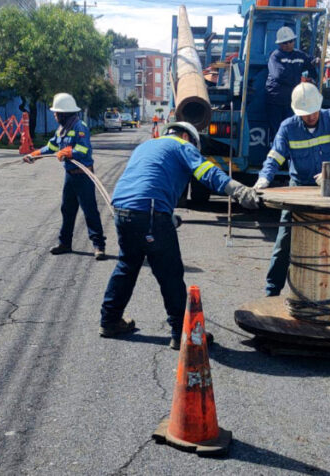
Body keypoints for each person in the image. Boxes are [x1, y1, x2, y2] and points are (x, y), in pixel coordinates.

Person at [99, 121, 259, 349]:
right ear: (186, 136)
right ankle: (181, 332)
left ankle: (109, 321)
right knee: (170, 274)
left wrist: (164, 216)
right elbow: (207, 172)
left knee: (127, 265)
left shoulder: (146, 146)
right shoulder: (181, 145)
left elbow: (148, 181)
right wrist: (238, 190)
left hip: (124, 211)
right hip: (151, 213)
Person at [253, 82, 330, 297]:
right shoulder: (288, 127)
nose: (310, 117)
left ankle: (328, 293)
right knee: (284, 243)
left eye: (313, 112)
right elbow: (274, 157)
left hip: (329, 190)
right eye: (305, 114)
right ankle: (271, 292)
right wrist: (264, 179)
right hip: (298, 190)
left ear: (319, 106)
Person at [23, 93, 106, 260]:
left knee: (90, 211)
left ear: (63, 113)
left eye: (56, 113)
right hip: (70, 176)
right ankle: (65, 243)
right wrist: (35, 154)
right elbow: (51, 147)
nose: (54, 115)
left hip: (83, 175)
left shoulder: (79, 127)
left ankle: (99, 245)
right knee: (67, 210)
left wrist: (69, 152)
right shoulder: (62, 129)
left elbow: (85, 150)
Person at [265, 26, 318, 136]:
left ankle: (288, 151)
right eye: (285, 42)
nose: (288, 44)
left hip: (292, 100)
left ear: (294, 41)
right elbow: (279, 75)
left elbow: (310, 63)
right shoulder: (275, 56)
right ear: (279, 44)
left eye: (291, 41)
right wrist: (301, 79)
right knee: (277, 130)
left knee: (290, 129)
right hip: (275, 99)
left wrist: (315, 64)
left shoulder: (299, 55)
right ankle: (276, 149)